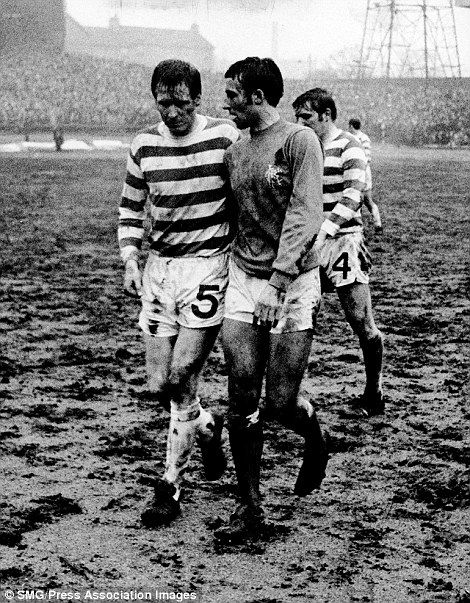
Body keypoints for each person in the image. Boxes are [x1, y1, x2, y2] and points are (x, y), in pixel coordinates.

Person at [118, 59, 239, 527]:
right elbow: (130, 211)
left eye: (181, 103)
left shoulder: (225, 138)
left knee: (182, 372)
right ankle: (207, 429)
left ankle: (170, 487)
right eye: (163, 103)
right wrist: (131, 259)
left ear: (198, 99)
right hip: (159, 270)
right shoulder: (143, 145)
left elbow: (247, 196)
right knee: (161, 385)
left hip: (208, 268)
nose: (171, 113)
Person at [215, 57, 328, 543]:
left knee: (280, 403)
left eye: (233, 96)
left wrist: (280, 281)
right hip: (245, 277)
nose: (226, 105)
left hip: (294, 280)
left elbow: (305, 213)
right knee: (241, 393)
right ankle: (250, 505)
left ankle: (317, 440)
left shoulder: (299, 141)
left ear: (257, 97)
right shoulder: (236, 150)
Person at [293, 88, 384, 418]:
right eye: (297, 117)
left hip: (343, 240)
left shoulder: (349, 144)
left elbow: (352, 196)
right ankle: (293, 396)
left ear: (326, 115)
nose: (300, 122)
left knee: (361, 321)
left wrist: (325, 232)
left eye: (306, 117)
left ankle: (373, 392)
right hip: (311, 243)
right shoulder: (304, 147)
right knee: (300, 320)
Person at [348, 118, 382, 231]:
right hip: (360, 171)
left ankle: (377, 224)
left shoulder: (362, 138)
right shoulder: (357, 137)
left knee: (364, 199)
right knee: (360, 199)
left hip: (361, 171)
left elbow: (366, 159)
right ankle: (366, 225)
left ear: (351, 126)